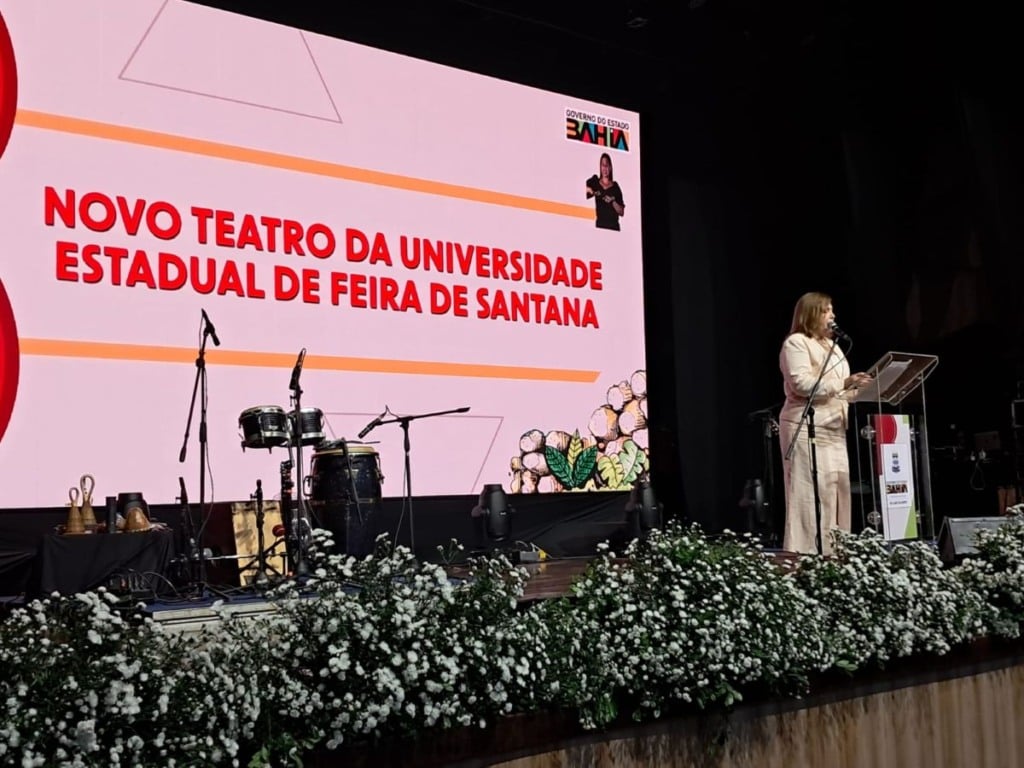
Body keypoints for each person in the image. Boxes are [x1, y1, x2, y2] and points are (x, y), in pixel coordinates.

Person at [778, 292, 873, 555]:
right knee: (809, 493)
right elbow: (802, 384)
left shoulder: (833, 347)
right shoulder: (796, 343)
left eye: (832, 309)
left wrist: (863, 390)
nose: (833, 315)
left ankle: (835, 551)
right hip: (807, 427)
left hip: (834, 427)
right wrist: (844, 382)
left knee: (836, 491)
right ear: (811, 313)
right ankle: (805, 554)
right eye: (826, 310)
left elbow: (837, 391)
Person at [585, 152, 625, 230]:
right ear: (600, 167)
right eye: (603, 165)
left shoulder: (615, 187)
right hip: (600, 226)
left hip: (613, 227)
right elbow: (583, 190)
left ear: (610, 167)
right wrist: (592, 192)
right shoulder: (595, 181)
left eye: (607, 165)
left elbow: (621, 212)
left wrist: (612, 202)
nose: (605, 168)